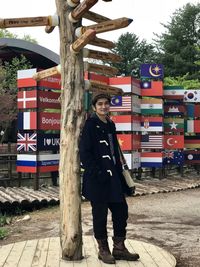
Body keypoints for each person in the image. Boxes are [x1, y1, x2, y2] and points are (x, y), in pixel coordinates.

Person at [80, 93, 139, 264]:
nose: (103, 106)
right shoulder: (90, 125)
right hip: (98, 179)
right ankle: (103, 250)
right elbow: (85, 152)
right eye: (100, 104)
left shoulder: (111, 124)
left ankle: (119, 248)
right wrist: (98, 172)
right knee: (100, 215)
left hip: (114, 177)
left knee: (121, 211)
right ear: (94, 107)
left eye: (106, 103)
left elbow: (114, 152)